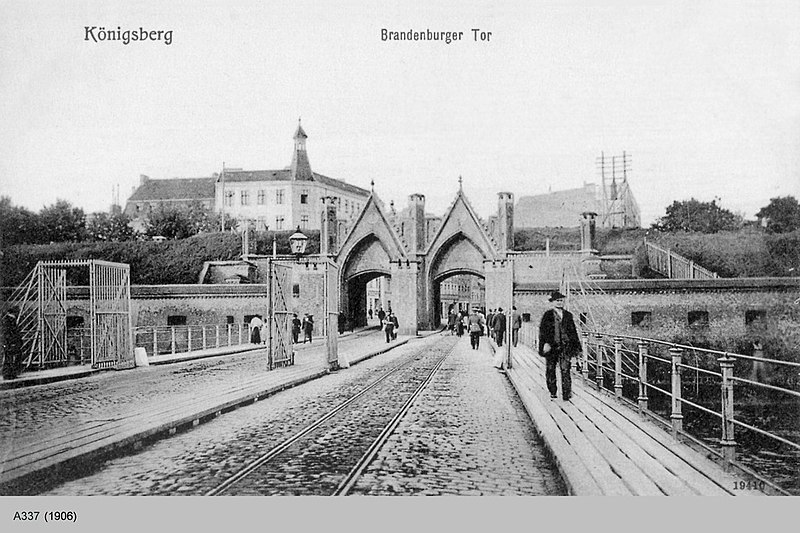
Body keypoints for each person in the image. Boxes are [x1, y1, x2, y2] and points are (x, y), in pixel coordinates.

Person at [538, 291, 581, 401]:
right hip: (552, 346)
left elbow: (573, 332)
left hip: (565, 346)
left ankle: (566, 394)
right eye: (557, 301)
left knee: (565, 369)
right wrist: (545, 344)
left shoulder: (568, 315)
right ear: (552, 302)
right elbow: (543, 331)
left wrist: (577, 348)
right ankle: (553, 391)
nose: (560, 303)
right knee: (551, 369)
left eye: (561, 301)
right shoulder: (548, 315)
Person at [2, 307, 22, 380]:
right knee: (11, 358)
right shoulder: (10, 320)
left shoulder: (8, 320)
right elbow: (10, 332)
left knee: (9, 358)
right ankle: (9, 374)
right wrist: (12, 342)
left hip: (9, 342)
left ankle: (10, 373)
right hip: (11, 342)